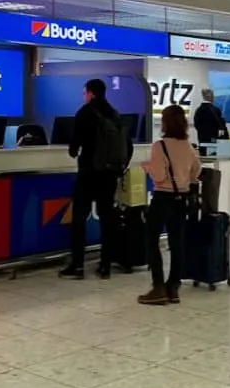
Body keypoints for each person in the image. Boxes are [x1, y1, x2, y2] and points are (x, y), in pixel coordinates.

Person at [62, 79, 129, 280]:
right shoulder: (115, 114)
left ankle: (78, 265)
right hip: (108, 175)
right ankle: (105, 266)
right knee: (107, 219)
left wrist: (76, 150)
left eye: (85, 93)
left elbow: (74, 147)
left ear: (90, 93)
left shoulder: (84, 113)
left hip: (88, 173)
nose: (84, 96)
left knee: (79, 219)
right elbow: (127, 146)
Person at [138, 104, 200, 306]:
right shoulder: (188, 146)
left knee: (151, 240)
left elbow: (159, 175)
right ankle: (173, 286)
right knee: (177, 243)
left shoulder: (160, 146)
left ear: (165, 122)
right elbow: (196, 172)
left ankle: (158, 287)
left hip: (162, 198)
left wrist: (147, 168)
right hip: (181, 199)